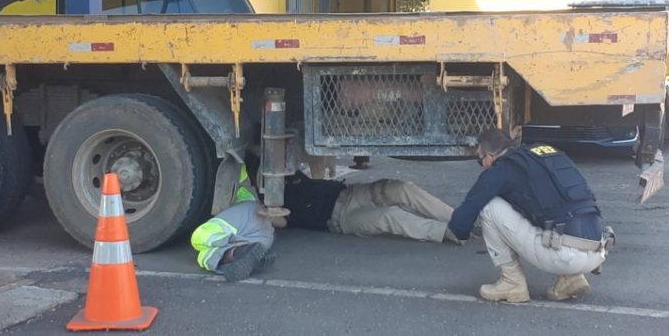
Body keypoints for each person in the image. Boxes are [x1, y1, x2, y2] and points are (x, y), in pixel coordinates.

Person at [448, 128, 612, 303]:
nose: (483, 166)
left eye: (480, 161)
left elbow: (460, 224)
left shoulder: (501, 170)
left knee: (489, 206)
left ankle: (512, 282)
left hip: (566, 256)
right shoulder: (544, 153)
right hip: (598, 250)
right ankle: (571, 279)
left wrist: (458, 232)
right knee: (549, 211)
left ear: (489, 156)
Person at [277, 170, 460, 244]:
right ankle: (446, 232)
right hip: (341, 219)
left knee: (402, 188)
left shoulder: (288, 171)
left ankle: (460, 220)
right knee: (389, 216)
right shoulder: (271, 206)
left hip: (349, 193)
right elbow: (278, 222)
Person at [190, 199, 277, 282]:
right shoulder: (267, 236)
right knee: (204, 253)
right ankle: (235, 254)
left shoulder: (251, 209)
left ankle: (236, 252)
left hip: (251, 215)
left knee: (200, 238)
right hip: (260, 229)